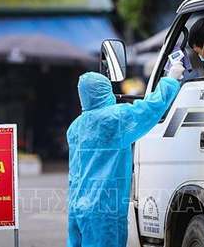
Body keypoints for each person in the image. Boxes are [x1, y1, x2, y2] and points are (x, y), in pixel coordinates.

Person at [66, 62, 185, 247]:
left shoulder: (75, 127)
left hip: (76, 208)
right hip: (105, 210)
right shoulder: (114, 119)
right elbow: (148, 109)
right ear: (105, 91)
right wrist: (170, 79)